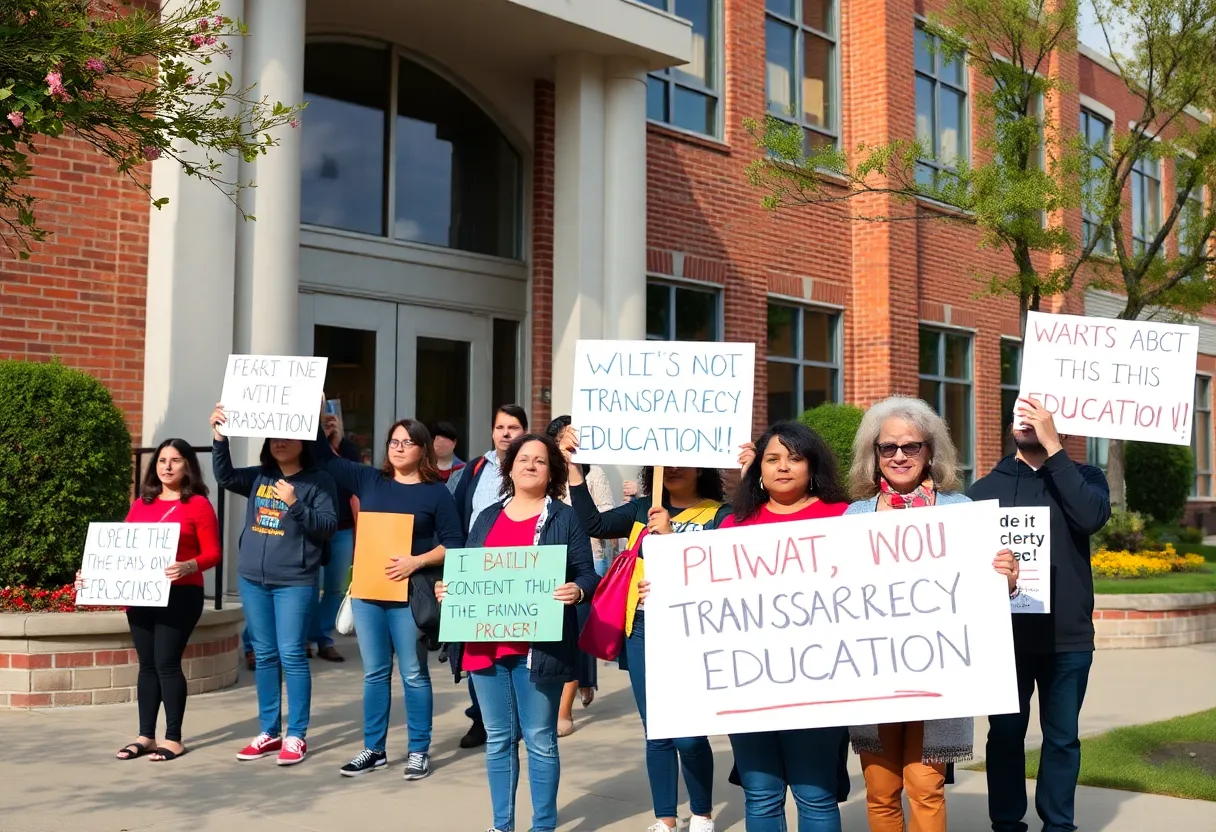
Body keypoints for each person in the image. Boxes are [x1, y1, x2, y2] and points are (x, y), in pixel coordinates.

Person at [843, 397, 1020, 832]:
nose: (899, 456)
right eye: (888, 448)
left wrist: (1006, 580)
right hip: (875, 676)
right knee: (882, 792)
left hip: (938, 677)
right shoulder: (853, 516)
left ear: (930, 451)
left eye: (911, 446)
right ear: (874, 454)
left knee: (925, 787)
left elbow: (988, 600)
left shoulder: (962, 512)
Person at [559, 424, 728, 832]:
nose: (671, 467)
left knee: (688, 734)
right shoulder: (641, 510)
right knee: (657, 732)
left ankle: (702, 812)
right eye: (664, 460)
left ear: (701, 466)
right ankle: (666, 819)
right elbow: (593, 526)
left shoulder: (720, 515)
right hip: (642, 631)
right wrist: (575, 470)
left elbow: (721, 575)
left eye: (682, 459)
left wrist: (671, 539)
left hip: (691, 636)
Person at [436, 433, 600, 832]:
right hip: (484, 645)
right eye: (523, 459)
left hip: (538, 649)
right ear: (508, 468)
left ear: (551, 472)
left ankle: (542, 825)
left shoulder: (562, 518)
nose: (530, 465)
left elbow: (588, 574)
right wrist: (450, 590)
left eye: (540, 461)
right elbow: (470, 573)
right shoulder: (488, 516)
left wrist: (577, 590)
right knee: (498, 740)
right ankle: (501, 825)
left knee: (541, 739)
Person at [971, 397, 1111, 832]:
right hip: (1005, 638)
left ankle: (1058, 825)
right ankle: (1007, 823)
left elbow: (1090, 519)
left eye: (1039, 412)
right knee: (1006, 737)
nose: (1026, 416)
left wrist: (1055, 451)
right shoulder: (982, 490)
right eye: (1020, 409)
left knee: (1062, 739)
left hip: (1066, 639)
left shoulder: (1086, 479)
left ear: (1060, 425)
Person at [312, 417, 464, 781]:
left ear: (422, 449)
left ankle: (418, 751)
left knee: (413, 673)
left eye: (406, 442)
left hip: (409, 595)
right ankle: (374, 749)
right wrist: (315, 419)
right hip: (368, 592)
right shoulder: (370, 480)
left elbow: (456, 543)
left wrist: (418, 561)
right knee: (375, 674)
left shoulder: (435, 492)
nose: (397, 447)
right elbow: (323, 458)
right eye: (393, 441)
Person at [723, 421, 852, 832]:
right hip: (747, 681)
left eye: (794, 458)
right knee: (760, 797)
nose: (783, 467)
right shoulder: (733, 525)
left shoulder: (845, 518)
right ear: (757, 468)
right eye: (772, 459)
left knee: (815, 796)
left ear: (812, 467)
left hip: (819, 681)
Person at [211, 405, 338, 767]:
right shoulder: (259, 476)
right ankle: (269, 731)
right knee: (264, 655)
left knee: (292, 655)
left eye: (289, 435)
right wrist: (221, 436)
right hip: (253, 579)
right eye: (275, 436)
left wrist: (295, 504)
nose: (280, 442)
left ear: (304, 440)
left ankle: (296, 734)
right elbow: (223, 475)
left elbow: (327, 526)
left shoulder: (318, 481)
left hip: (294, 581)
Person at [81, 439, 221, 762]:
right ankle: (146, 736)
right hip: (140, 594)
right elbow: (120, 552)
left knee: (166, 662)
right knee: (147, 665)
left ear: (188, 466)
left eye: (175, 460)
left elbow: (214, 552)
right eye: (161, 460)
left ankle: (173, 738)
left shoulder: (198, 505)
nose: (167, 466)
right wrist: (91, 575)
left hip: (181, 594)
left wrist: (189, 565)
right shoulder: (141, 504)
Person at [449, 403, 528, 748]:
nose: (506, 433)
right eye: (500, 427)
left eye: (513, 427)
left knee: (517, 648)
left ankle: (522, 715)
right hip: (478, 571)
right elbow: (456, 514)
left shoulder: (533, 465)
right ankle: (482, 718)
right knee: (478, 647)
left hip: (522, 569)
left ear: (524, 431)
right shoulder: (475, 468)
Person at [545, 415, 620, 737]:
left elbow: (604, 514)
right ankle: (584, 679)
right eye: (563, 438)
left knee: (576, 635)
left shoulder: (594, 473)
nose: (569, 444)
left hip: (589, 558)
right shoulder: (545, 471)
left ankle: (564, 709)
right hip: (548, 560)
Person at [308, 410, 362, 662]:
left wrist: (337, 442)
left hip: (341, 529)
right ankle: (303, 639)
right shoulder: (305, 443)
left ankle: (323, 638)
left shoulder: (347, 449)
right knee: (306, 588)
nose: (326, 425)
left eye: (330, 422)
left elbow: (352, 475)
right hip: (312, 528)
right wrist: (319, 437)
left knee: (336, 589)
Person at [431, 421, 466, 486]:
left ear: (454, 443)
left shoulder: (464, 470)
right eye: (438, 443)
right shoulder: (426, 468)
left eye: (444, 443)